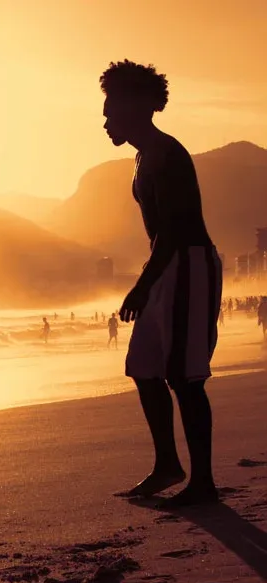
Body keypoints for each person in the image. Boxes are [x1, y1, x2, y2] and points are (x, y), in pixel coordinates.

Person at [102, 60, 222, 508]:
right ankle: (168, 464)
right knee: (143, 367)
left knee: (184, 377)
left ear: (136, 106)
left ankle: (204, 482)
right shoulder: (142, 156)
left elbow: (173, 231)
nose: (106, 120)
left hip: (188, 264)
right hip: (166, 264)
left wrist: (141, 286)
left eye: (111, 109)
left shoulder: (168, 154)